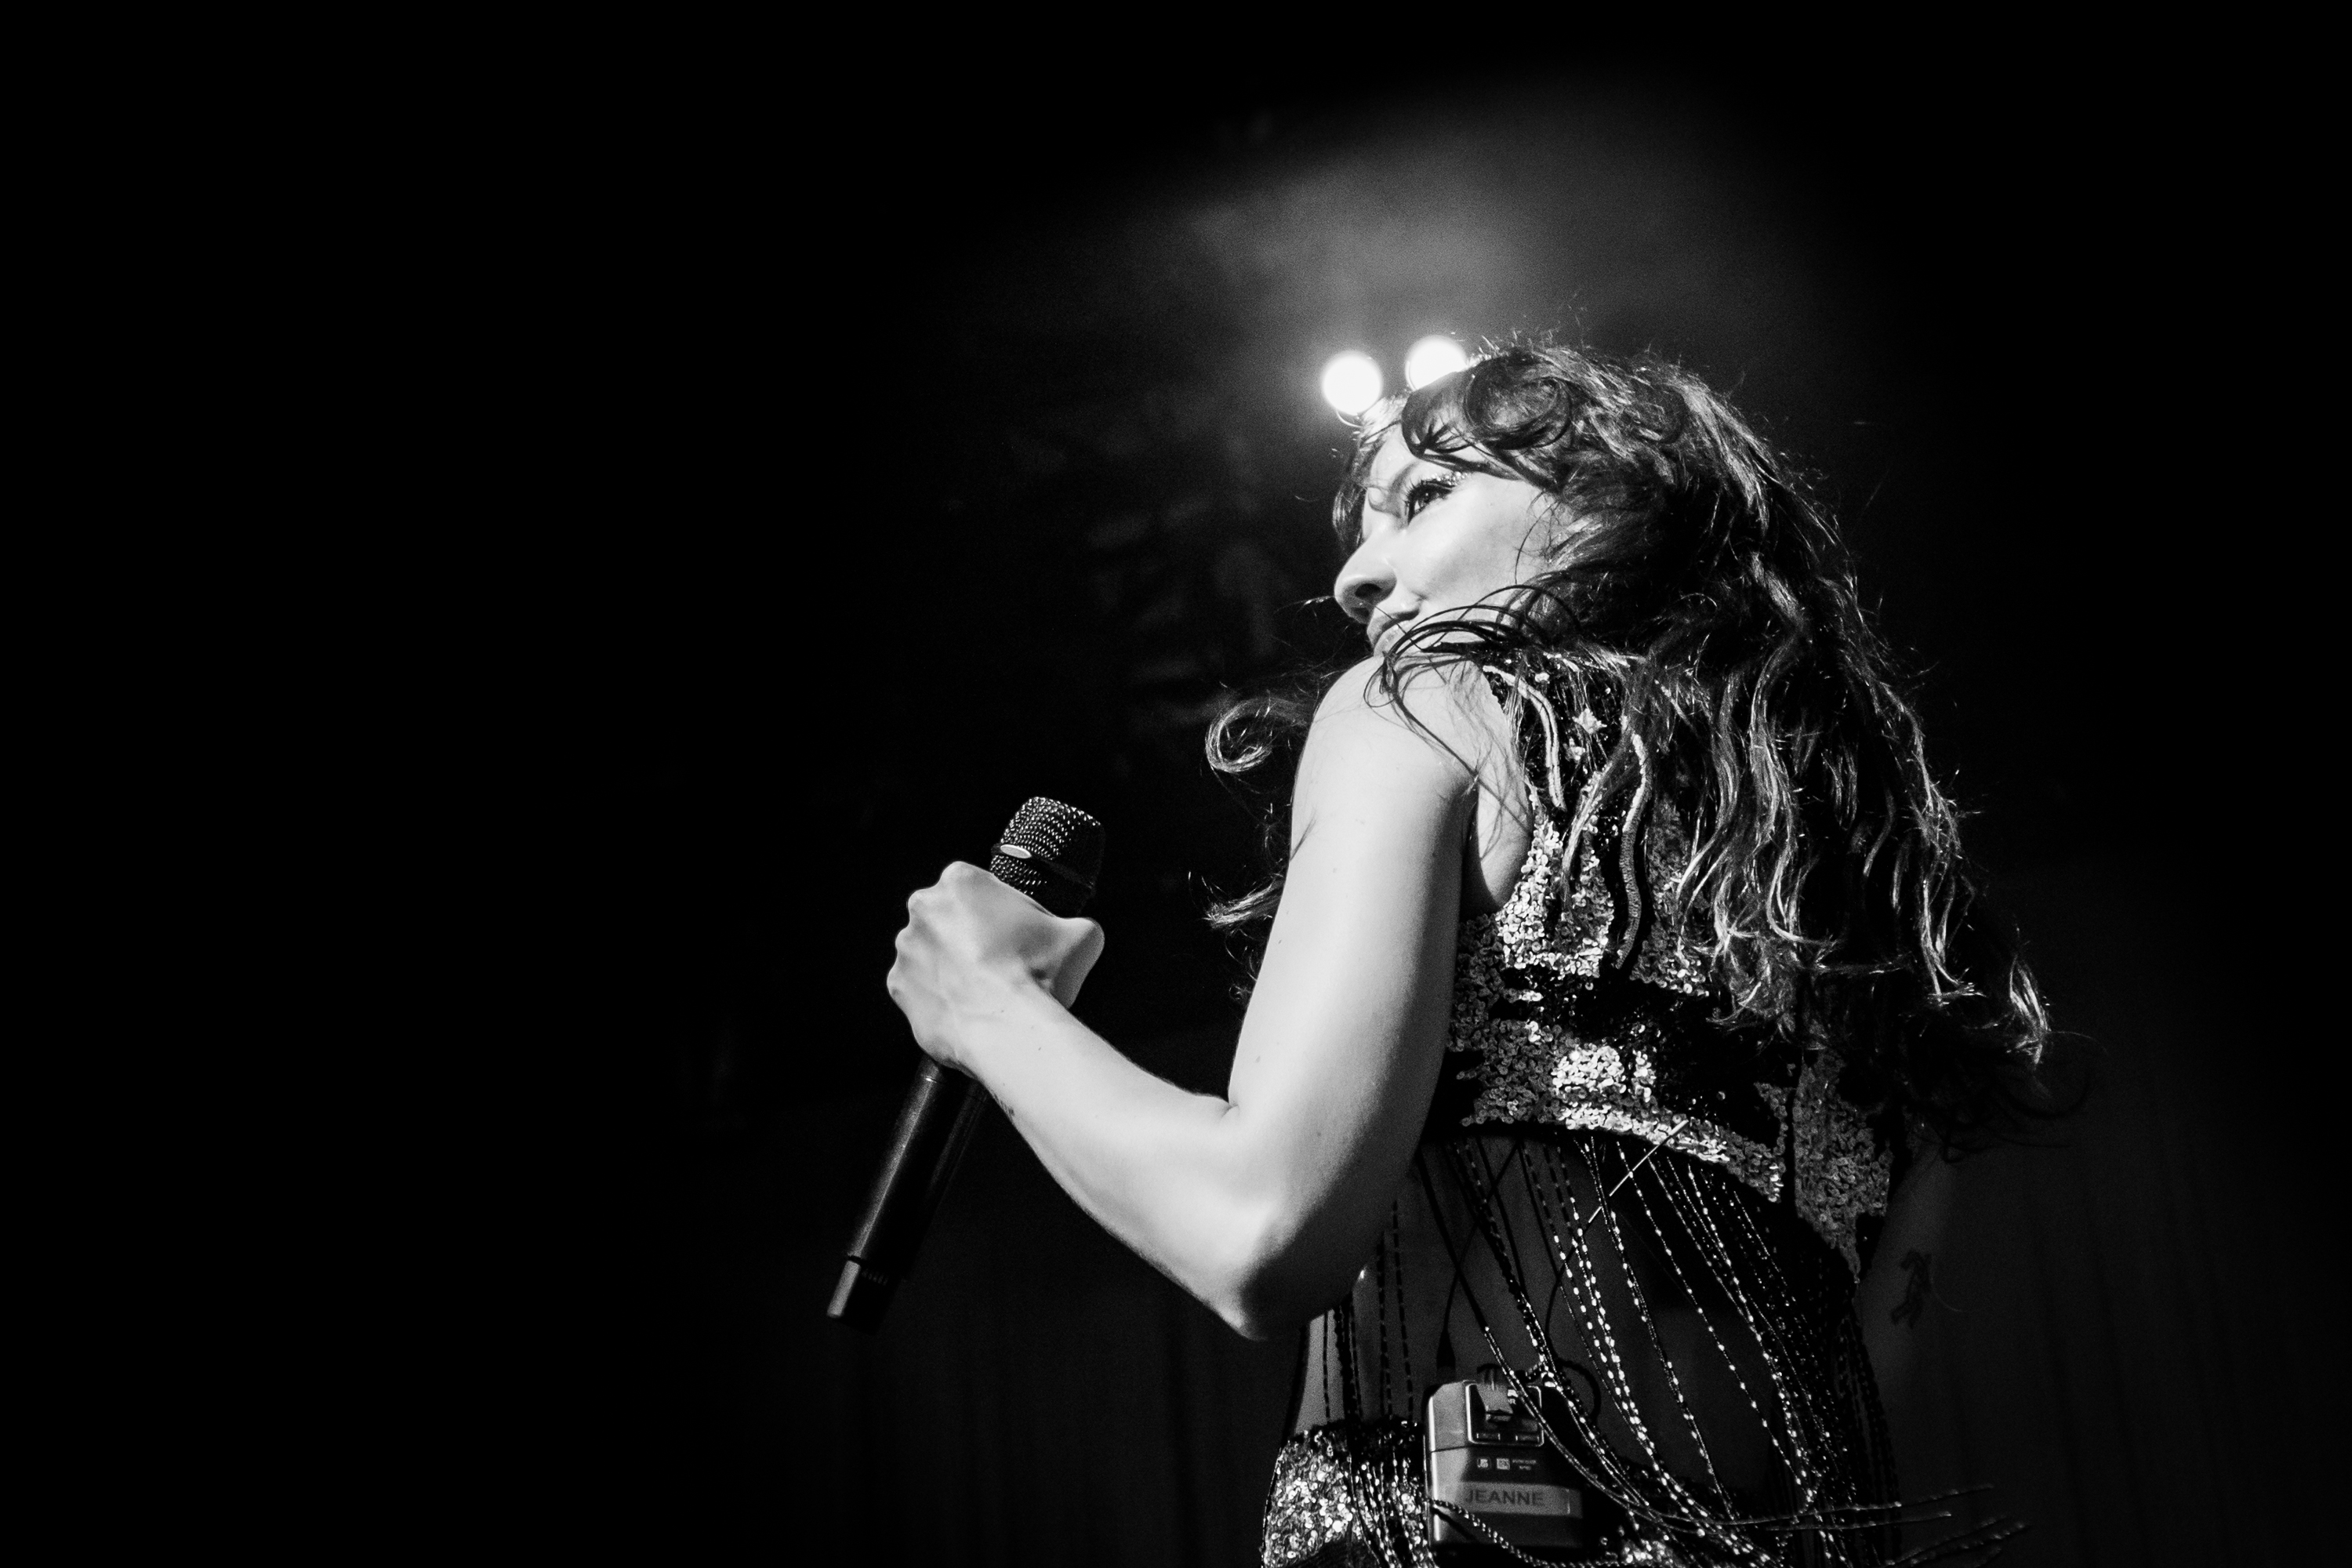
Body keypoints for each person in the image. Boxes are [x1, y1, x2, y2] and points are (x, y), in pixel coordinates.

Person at [885, 338, 2049, 1566]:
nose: (1354, 578)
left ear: (1610, 505)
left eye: (1425, 496)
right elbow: (1853, 1419)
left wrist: (990, 1002)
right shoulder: (1903, 943)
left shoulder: (1428, 703)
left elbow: (1258, 1228)